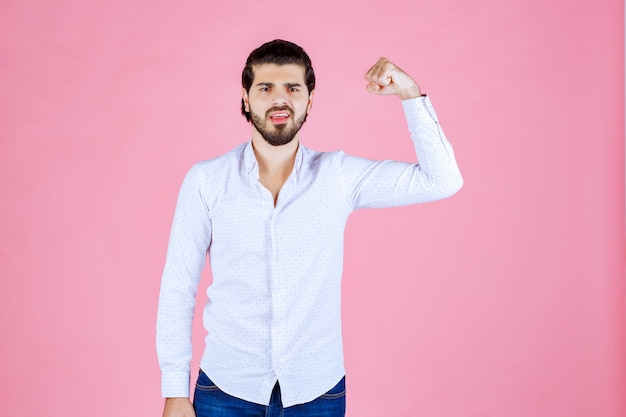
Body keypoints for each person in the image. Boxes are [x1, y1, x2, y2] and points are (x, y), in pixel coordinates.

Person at [157, 39, 463, 417]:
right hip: (225, 389)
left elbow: (442, 180)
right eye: (265, 88)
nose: (279, 99)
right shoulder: (206, 181)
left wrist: (410, 95)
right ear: (246, 98)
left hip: (317, 393)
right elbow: (178, 286)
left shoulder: (337, 177)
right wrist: (174, 390)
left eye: (293, 88)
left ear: (310, 99)